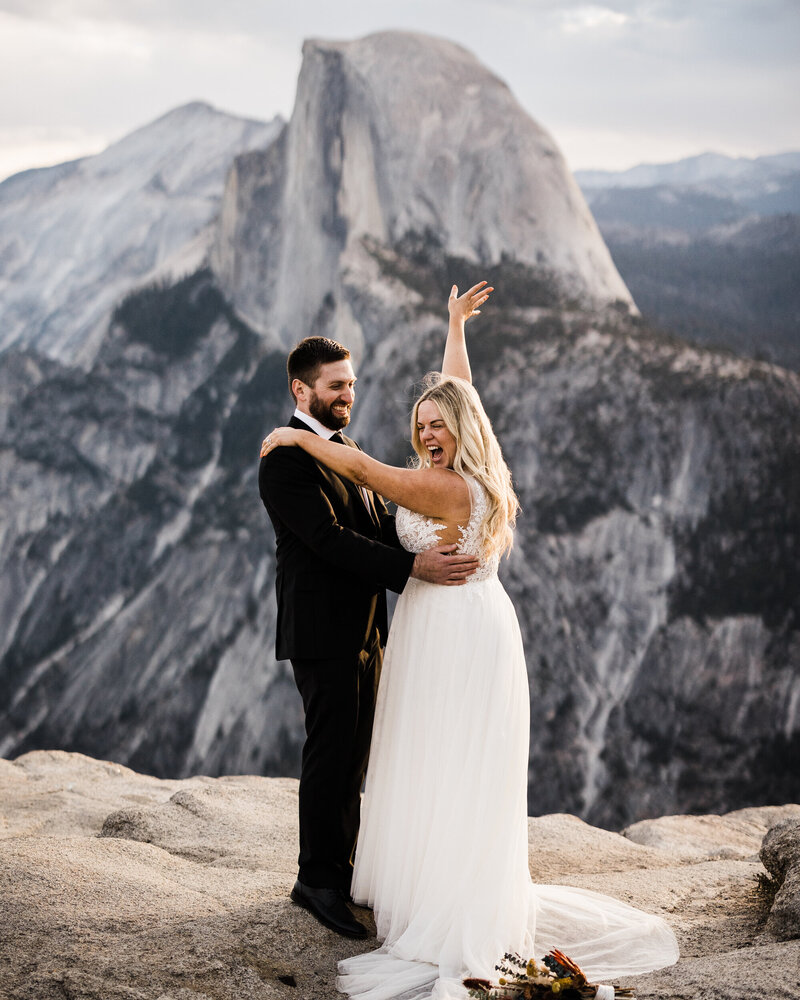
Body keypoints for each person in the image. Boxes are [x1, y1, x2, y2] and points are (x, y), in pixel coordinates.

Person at [261, 284, 679, 998]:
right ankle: (323, 879)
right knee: (375, 752)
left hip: (450, 631)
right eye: (419, 423)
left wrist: (298, 434)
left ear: (462, 431)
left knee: (434, 759)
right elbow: (457, 395)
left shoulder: (448, 487)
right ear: (305, 388)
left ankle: (430, 894)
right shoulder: (453, 469)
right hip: (405, 626)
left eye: (437, 425)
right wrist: (455, 328)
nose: (427, 433)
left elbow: (365, 471)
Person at [259, 335, 480, 941]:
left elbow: (379, 522)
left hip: (365, 630)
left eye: (351, 383)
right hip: (321, 633)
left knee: (356, 752)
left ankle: (345, 867)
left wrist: (432, 545)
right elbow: (328, 541)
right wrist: (414, 570)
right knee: (329, 753)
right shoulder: (284, 461)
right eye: (335, 386)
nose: (347, 395)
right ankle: (316, 882)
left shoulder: (346, 448)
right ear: (301, 390)